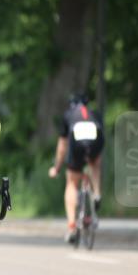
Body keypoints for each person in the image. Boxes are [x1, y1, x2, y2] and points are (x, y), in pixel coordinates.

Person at [49, 93, 104, 243]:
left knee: (72, 183)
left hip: (76, 141)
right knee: (95, 163)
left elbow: (62, 146)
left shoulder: (68, 115)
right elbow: (101, 140)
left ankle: (72, 226)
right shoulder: (95, 114)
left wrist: (57, 168)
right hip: (95, 141)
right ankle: (96, 193)